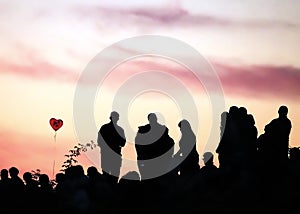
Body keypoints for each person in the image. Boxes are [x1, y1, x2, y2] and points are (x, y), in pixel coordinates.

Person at [135, 113, 174, 181]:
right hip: (147, 159)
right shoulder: (143, 130)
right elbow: (138, 144)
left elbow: (170, 143)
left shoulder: (162, 129)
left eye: (153, 119)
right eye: (151, 119)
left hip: (158, 160)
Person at [97, 111, 126, 184]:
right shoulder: (119, 129)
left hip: (109, 155)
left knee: (108, 175)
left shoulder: (105, 128)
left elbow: (99, 141)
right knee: (113, 176)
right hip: (113, 154)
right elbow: (123, 143)